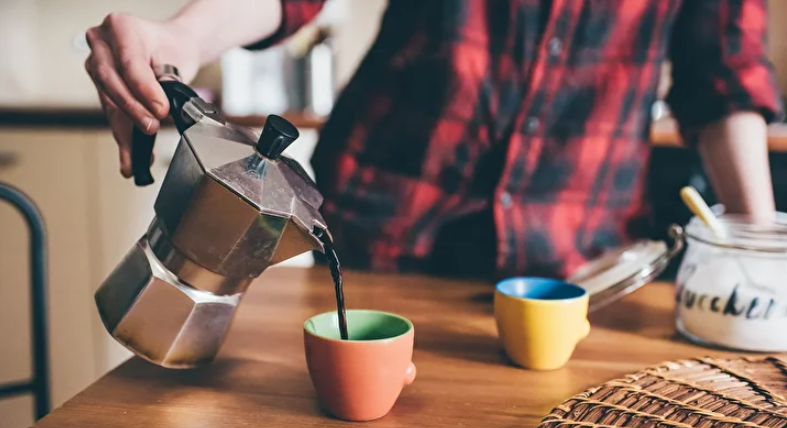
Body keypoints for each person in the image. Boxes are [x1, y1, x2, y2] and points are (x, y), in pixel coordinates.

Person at [84, 0, 783, 280]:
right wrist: (181, 36)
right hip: (382, 236)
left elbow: (720, 71)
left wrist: (758, 252)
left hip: (577, 264)